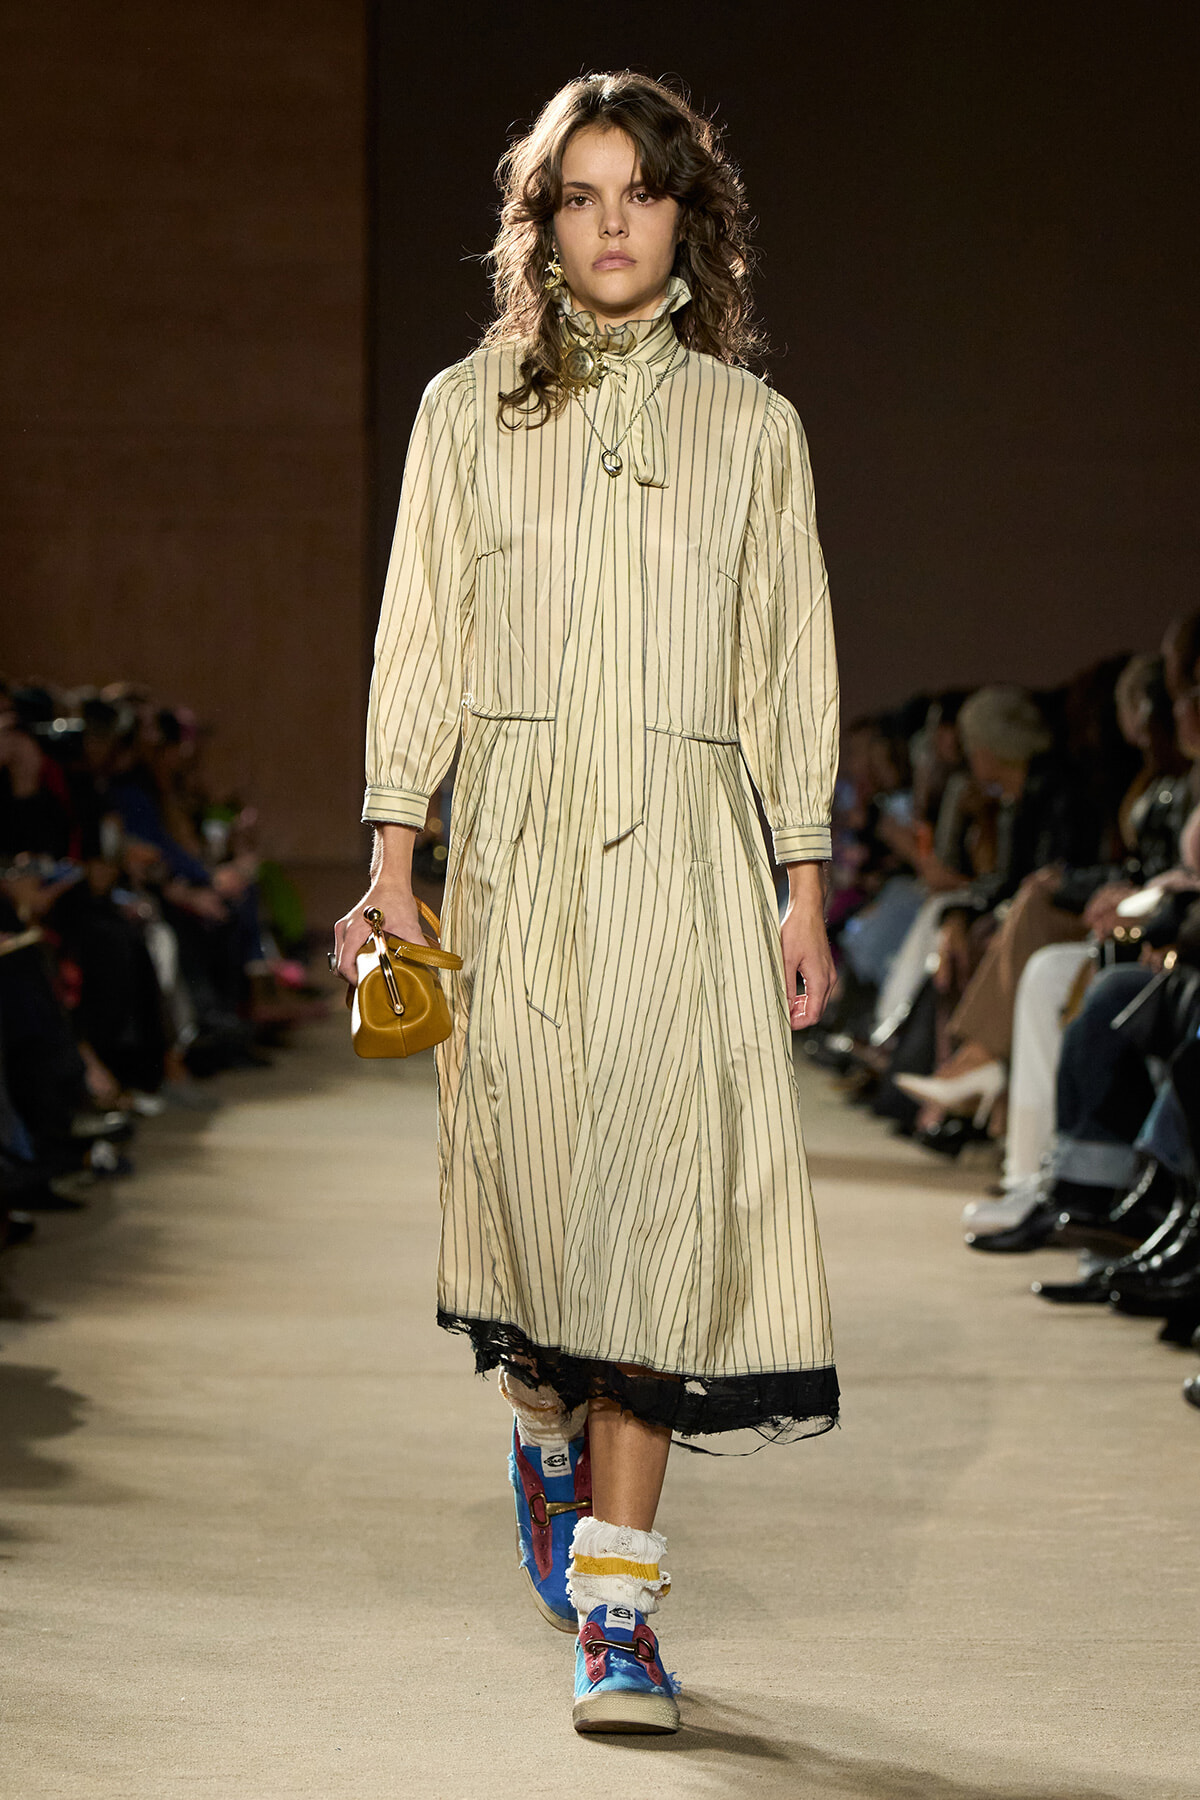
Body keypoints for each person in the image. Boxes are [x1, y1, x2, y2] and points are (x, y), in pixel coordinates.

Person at [333, 71, 840, 1735]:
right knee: (544, 1212)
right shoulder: (461, 412)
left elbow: (788, 668)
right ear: (539, 224)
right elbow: (418, 636)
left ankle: (619, 1611)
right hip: (525, 858)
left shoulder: (753, 431)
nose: (612, 224)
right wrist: (394, 852)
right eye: (580, 194)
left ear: (690, 216)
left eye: (641, 192)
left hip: (691, 851)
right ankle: (538, 1421)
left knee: (658, 1219)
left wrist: (805, 882)